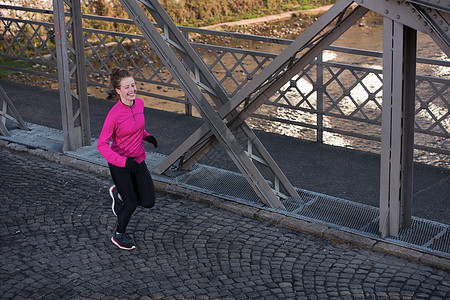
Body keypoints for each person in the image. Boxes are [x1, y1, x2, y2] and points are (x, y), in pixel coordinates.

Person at [97, 67, 158, 250]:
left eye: (133, 85)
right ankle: (119, 234)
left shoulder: (139, 104)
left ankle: (118, 192)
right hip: (120, 163)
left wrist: (147, 136)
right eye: (126, 87)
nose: (131, 89)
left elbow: (137, 127)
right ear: (118, 91)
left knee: (148, 201)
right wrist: (123, 161)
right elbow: (101, 145)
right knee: (131, 202)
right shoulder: (114, 116)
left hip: (138, 159)